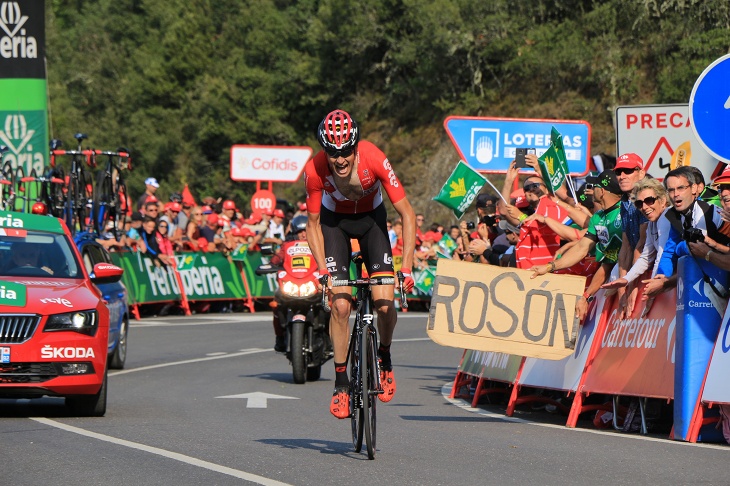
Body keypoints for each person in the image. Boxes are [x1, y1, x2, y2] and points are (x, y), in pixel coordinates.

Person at [304, 109, 416, 419]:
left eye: (345, 152)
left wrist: (406, 266)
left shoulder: (374, 158)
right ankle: (341, 384)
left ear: (355, 146)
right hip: (334, 225)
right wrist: (322, 270)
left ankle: (384, 356)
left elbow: (407, 213)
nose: (339, 160)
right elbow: (312, 224)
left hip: (372, 222)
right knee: (340, 307)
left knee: (384, 304)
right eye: (332, 153)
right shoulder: (314, 169)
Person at [530, 170, 624, 321]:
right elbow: (581, 248)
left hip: (624, 280)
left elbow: (608, 263)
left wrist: (586, 296)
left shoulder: (622, 213)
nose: (592, 191)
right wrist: (549, 267)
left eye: (595, 187)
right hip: (609, 279)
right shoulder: (598, 217)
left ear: (602, 191)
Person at [601, 178, 671, 303]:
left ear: (663, 201)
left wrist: (652, 290)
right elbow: (645, 257)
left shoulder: (666, 216)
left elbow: (662, 255)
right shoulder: (651, 224)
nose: (644, 207)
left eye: (649, 201)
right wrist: (626, 279)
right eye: (639, 203)